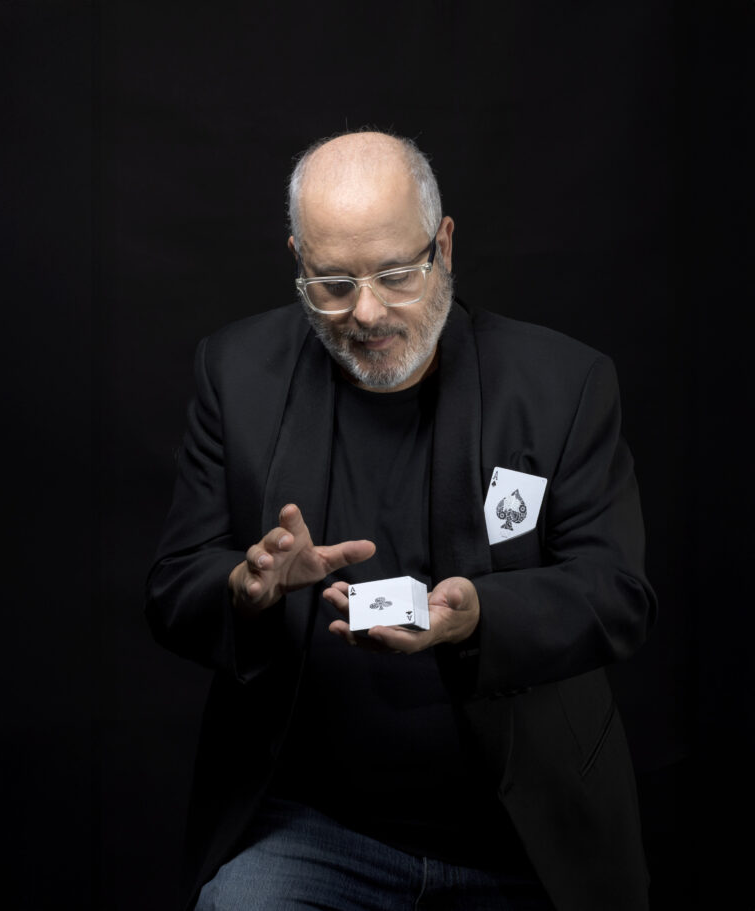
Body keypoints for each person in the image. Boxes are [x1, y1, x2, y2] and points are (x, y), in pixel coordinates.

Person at [146, 130, 657, 911]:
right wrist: (246, 590)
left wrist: (479, 613)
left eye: (394, 275)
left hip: (521, 830)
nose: (367, 311)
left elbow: (616, 593)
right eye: (332, 283)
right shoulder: (236, 371)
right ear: (297, 259)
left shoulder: (562, 383)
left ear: (443, 245)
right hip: (318, 827)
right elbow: (174, 586)